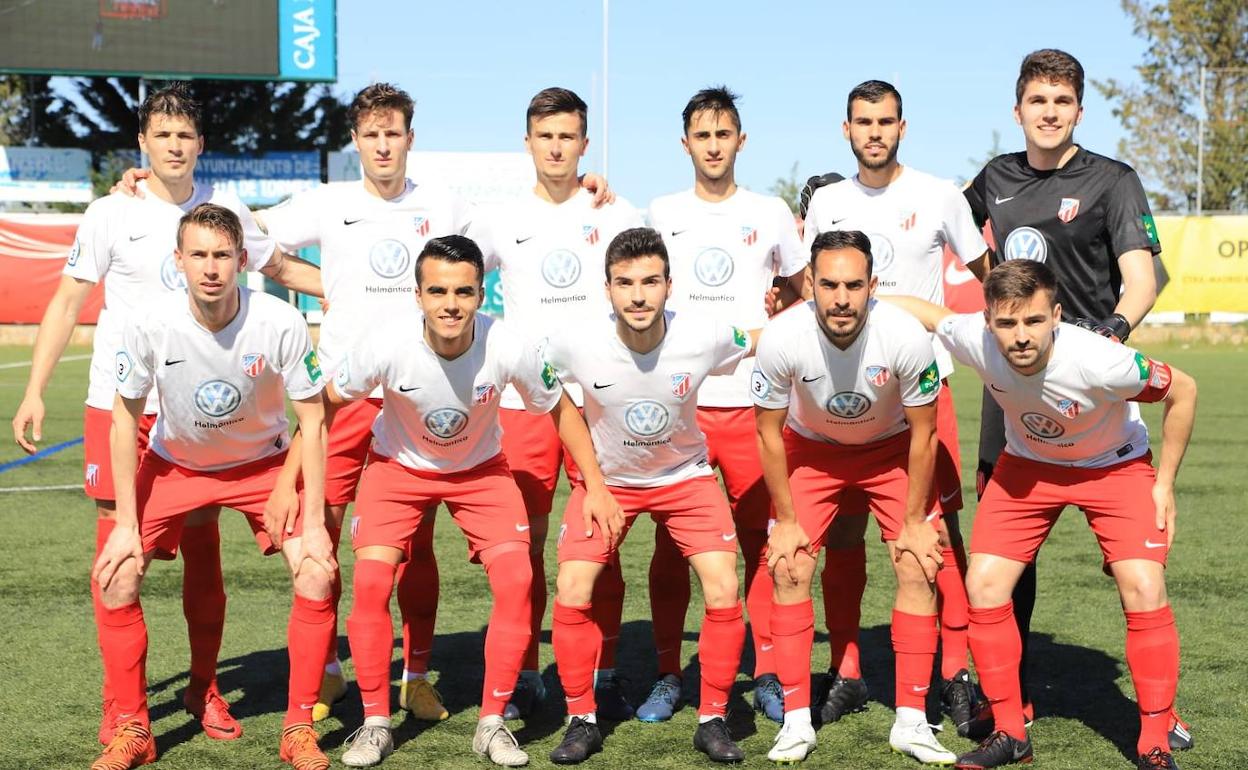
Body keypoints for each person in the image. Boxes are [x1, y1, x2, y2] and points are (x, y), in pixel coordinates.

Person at [111, 83, 615, 723]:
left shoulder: (446, 205)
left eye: (393, 133)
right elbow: (244, 232)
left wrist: (586, 188)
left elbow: (525, 228)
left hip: (422, 395)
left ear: (409, 138)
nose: (382, 145)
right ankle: (328, 672)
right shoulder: (328, 202)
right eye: (371, 134)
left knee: (418, 548)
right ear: (355, 140)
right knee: (323, 533)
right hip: (342, 396)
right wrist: (160, 187)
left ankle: (417, 675)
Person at [9, 82, 319, 746]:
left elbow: (286, 270)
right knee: (117, 553)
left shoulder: (225, 209)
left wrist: (377, 296)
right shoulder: (109, 212)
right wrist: (34, 389)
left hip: (198, 410)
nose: (174, 146)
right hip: (121, 405)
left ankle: (203, 687)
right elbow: (67, 301)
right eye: (162, 135)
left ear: (200, 144)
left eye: (185, 136)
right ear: (142, 143)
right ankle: (120, 705)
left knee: (204, 545)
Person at [961, 49, 1188, 749]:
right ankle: (1013, 697)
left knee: (1132, 569)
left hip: (1093, 388)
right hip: (1015, 388)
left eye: (1062, 101)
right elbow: (938, 227)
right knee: (1005, 560)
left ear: (1079, 111)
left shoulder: (1112, 180)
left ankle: (1158, 712)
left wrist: (1111, 333)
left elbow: (1144, 278)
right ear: (1018, 109)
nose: (1050, 112)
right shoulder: (994, 178)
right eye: (1038, 100)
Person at [885, 258, 1194, 770]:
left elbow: (1183, 391)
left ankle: (1155, 740)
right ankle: (1011, 733)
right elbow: (929, 313)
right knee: (984, 585)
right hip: (1028, 466)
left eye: (1033, 320)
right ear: (988, 322)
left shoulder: (1102, 360)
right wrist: (848, 304)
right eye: (1007, 323)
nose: (1021, 335)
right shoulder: (975, 340)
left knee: (1143, 586)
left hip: (1114, 466)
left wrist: (1164, 484)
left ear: (1056, 315)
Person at [324, 235, 620, 768]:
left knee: (518, 580)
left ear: (482, 294)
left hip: (481, 472)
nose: (450, 304)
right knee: (370, 581)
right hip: (397, 469)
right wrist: (296, 478)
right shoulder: (385, 342)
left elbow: (561, 409)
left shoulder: (507, 344)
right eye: (437, 291)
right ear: (417, 295)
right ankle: (374, 724)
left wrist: (596, 485)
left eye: (463, 292)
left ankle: (492, 723)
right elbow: (325, 401)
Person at [89, 203, 336, 770]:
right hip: (176, 465)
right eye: (198, 254)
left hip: (262, 466)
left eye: (222, 254)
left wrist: (315, 520)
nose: (210, 267)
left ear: (242, 260)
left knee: (318, 571)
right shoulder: (148, 322)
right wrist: (125, 523)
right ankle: (133, 728)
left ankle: (299, 729)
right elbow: (124, 419)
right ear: (178, 260)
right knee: (116, 576)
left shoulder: (280, 321)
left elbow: (314, 419)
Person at [800, 79, 990, 733]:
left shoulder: (940, 195)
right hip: (841, 394)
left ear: (902, 127)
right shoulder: (827, 201)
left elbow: (992, 278)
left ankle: (955, 674)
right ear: (846, 129)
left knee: (939, 535)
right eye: (863, 121)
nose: (874, 132)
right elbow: (811, 287)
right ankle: (847, 672)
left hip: (920, 394)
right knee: (843, 534)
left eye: (885, 121)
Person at [543, 227, 754, 764]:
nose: (638, 295)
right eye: (625, 283)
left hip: (686, 477)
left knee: (724, 586)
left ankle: (712, 719)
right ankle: (581, 719)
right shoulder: (574, 343)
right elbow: (547, 393)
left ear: (669, 285)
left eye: (650, 282)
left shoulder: (704, 334)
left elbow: (758, 338)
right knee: (571, 586)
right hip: (608, 482)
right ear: (608, 289)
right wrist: (593, 484)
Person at [753, 229, 955, 765]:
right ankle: (796, 721)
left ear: (872, 285)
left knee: (918, 561)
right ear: (811, 284)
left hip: (890, 450)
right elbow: (768, 433)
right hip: (813, 451)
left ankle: (912, 721)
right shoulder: (781, 336)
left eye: (853, 285)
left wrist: (915, 520)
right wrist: (786, 520)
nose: (841, 298)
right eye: (829, 285)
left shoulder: (906, 336)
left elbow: (925, 433)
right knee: (789, 565)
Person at [640, 85, 806, 724]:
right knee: (670, 544)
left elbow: (802, 292)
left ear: (741, 140)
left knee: (760, 540)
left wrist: (782, 306)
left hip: (749, 401)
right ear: (685, 144)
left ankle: (766, 669)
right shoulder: (661, 211)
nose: (714, 146)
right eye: (702, 136)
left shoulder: (769, 212)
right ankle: (667, 672)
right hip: (679, 402)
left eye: (724, 134)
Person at [481, 87, 643, 721]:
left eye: (567, 136)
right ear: (528, 142)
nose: (556, 147)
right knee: (524, 545)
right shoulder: (500, 219)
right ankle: (524, 674)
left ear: (584, 143)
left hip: (599, 400)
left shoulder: (614, 210)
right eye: (545, 136)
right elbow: (448, 277)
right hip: (525, 405)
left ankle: (605, 672)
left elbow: (652, 285)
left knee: (602, 538)